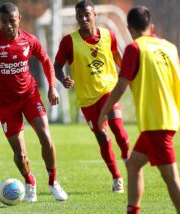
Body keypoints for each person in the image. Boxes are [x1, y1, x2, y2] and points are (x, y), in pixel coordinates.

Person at [0, 2, 67, 202]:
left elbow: (46, 61)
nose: (8, 25)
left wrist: (53, 87)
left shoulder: (29, 40)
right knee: (20, 154)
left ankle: (53, 182)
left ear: (19, 20)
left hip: (30, 96)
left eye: (12, 21)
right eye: (4, 22)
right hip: (6, 105)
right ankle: (30, 182)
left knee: (46, 137)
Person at [98, 6, 180, 214]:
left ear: (130, 29)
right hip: (167, 119)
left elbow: (121, 85)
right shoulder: (169, 46)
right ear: (151, 26)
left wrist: (103, 111)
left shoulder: (135, 48)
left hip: (155, 123)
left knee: (171, 177)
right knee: (133, 166)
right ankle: (132, 210)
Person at [54, 0, 130, 193]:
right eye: (80, 16)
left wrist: (130, 75)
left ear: (95, 15)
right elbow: (57, 65)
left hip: (108, 90)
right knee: (102, 137)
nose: (84, 19)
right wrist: (63, 80)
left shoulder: (108, 35)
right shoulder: (69, 41)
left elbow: (118, 57)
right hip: (87, 99)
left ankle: (128, 158)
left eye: (87, 15)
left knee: (117, 127)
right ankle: (116, 177)